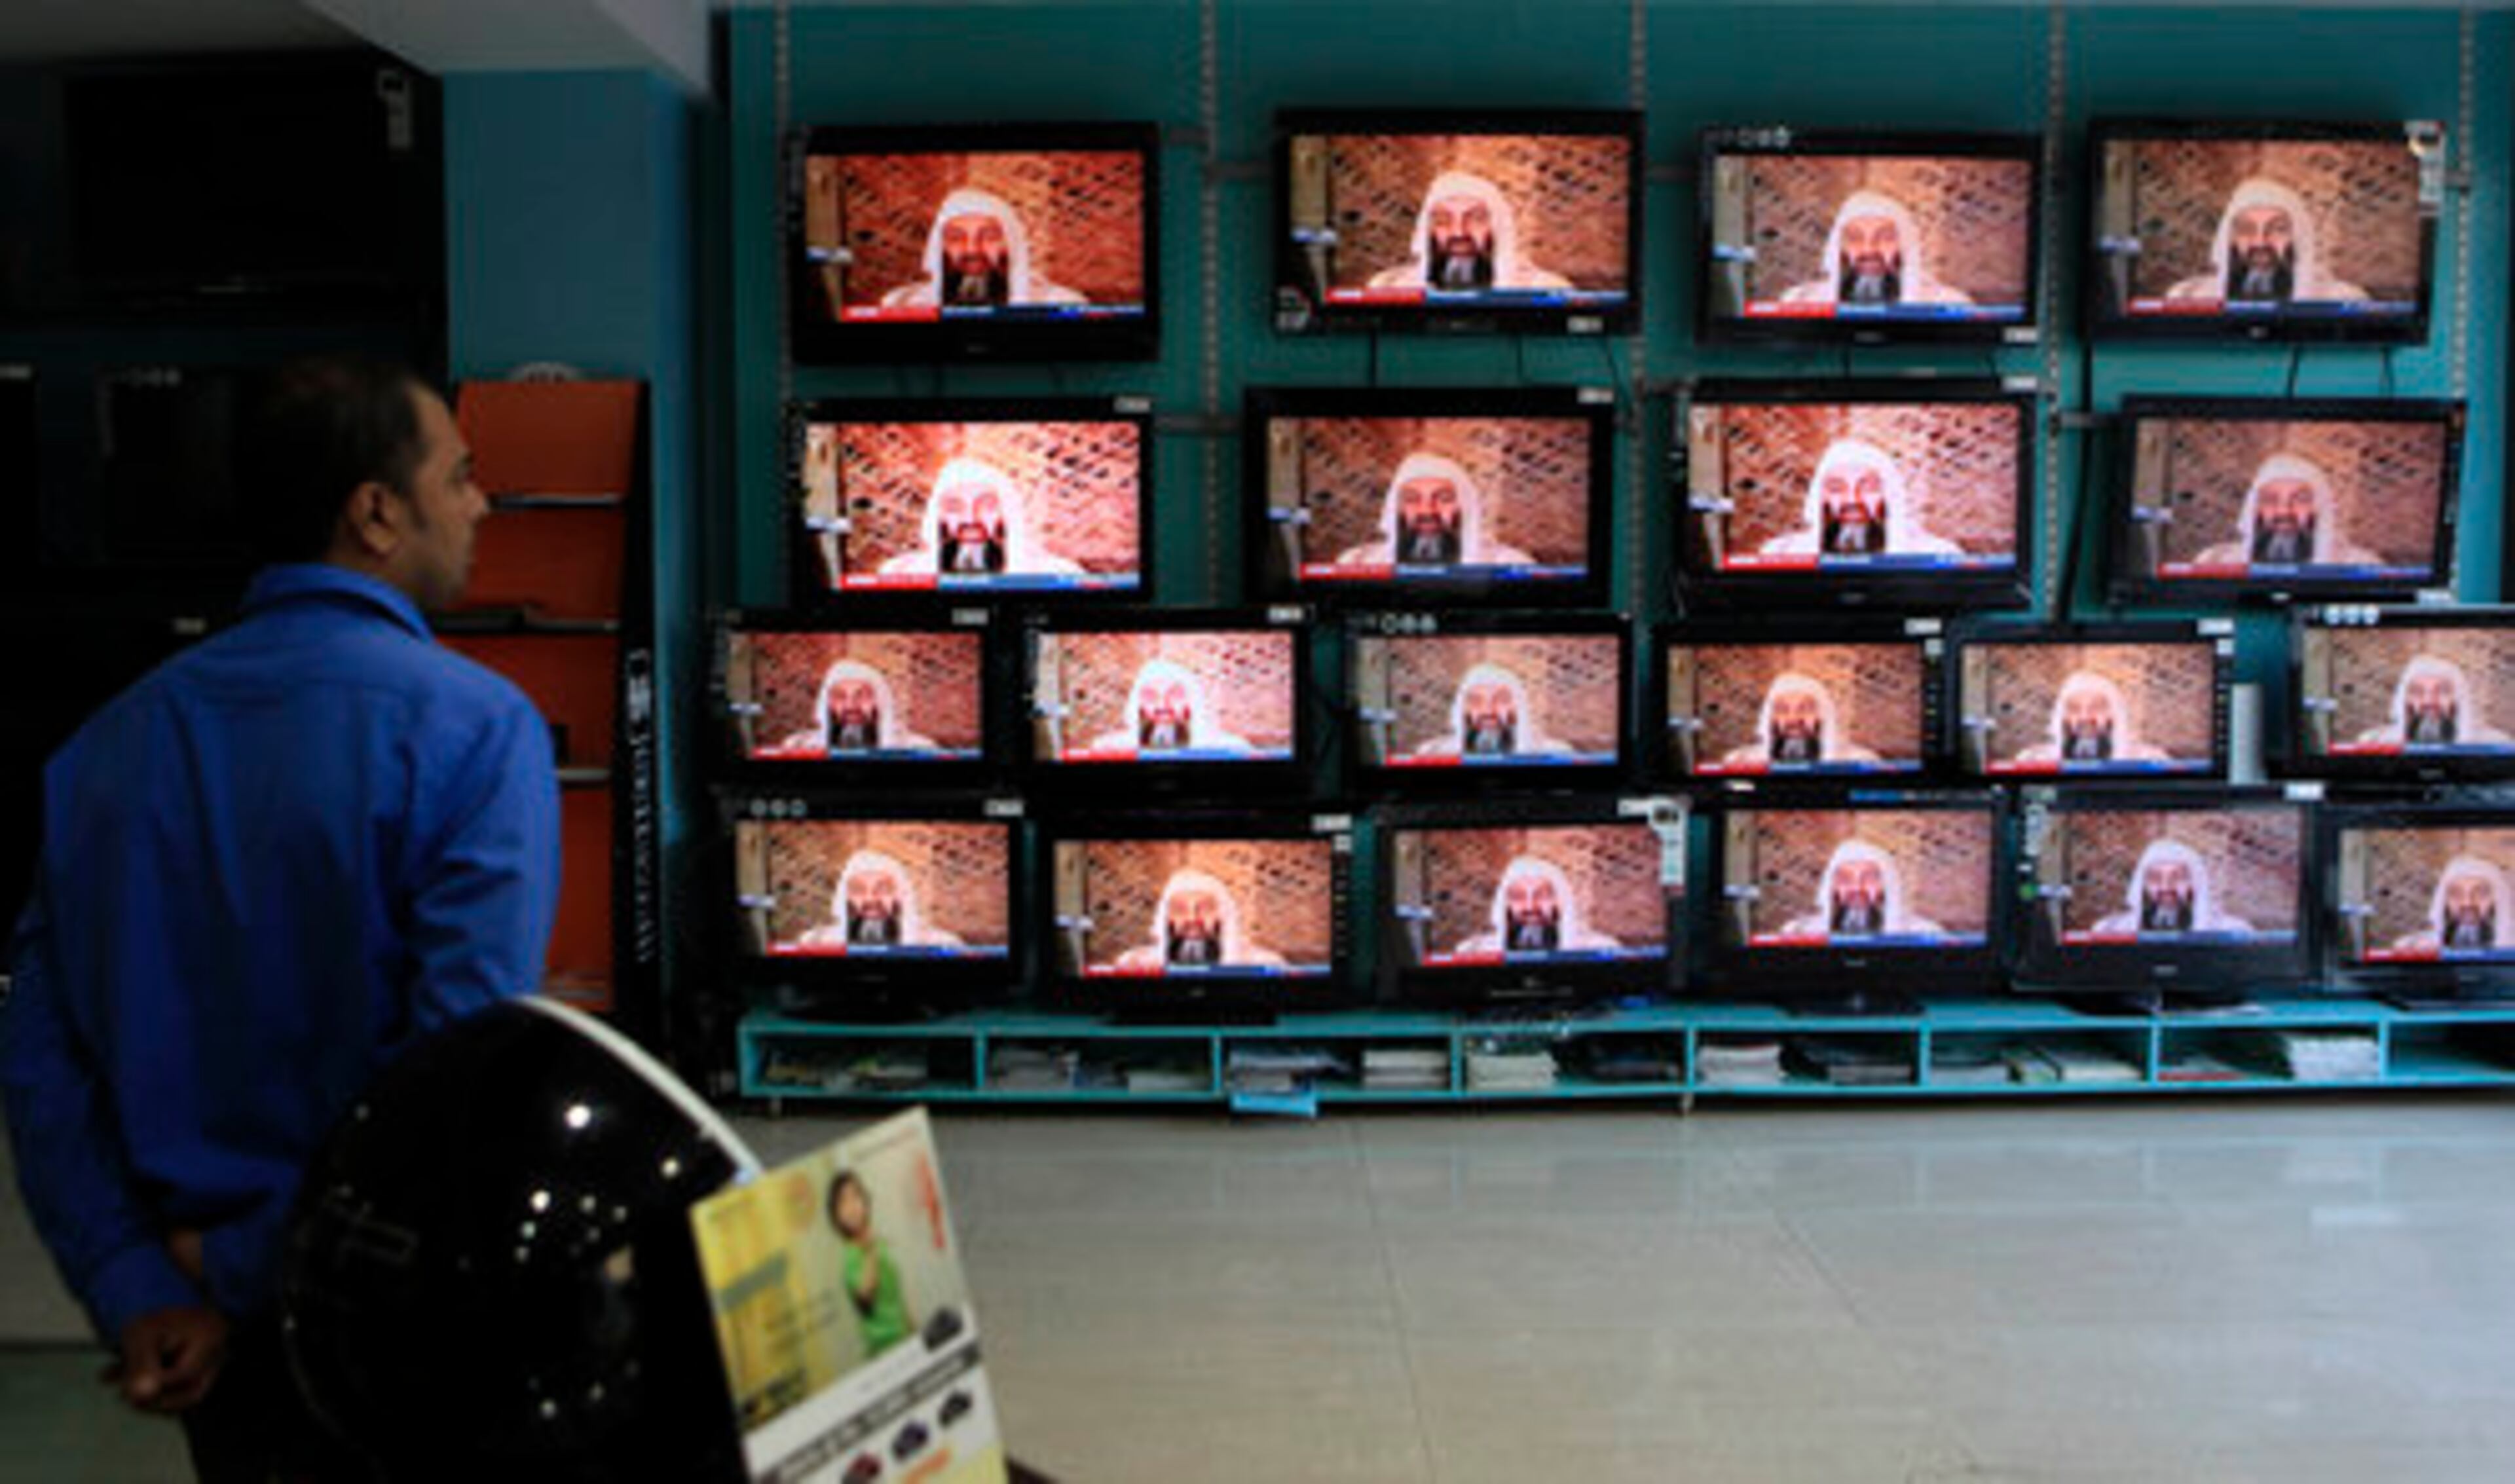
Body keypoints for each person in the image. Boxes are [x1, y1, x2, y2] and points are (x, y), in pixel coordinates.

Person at [1, 356, 560, 1483]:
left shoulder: (100, 752)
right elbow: (454, 1074)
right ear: (376, 512)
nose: (481, 504)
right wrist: (255, 1266)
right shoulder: (478, 732)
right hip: (399, 1320)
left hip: (202, 1331)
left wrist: (141, 1284)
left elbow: (41, 1064)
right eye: (459, 476)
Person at [2165, 176, 2367, 305]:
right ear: (2230, 239)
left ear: (2298, 237)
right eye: (2246, 229)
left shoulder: (2342, 299)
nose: (2260, 243)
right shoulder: (2188, 298)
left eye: (2278, 229)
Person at [877, 456, 1083, 580]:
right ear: (938, 518)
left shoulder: (1057, 574)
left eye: (986, 507)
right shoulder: (899, 574)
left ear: (1008, 513)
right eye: (955, 508)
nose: (970, 520)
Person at [1365, 170, 1571, 293]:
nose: (1459, 233)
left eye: (1476, 219)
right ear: (1428, 230)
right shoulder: (1388, 288)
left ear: (1498, 227)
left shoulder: (1545, 290)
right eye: (1443, 220)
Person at [879, 187, 1085, 309]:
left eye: (989, 237)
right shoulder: (900, 305)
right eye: (956, 238)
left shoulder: (1062, 304)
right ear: (939, 247)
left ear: (1011, 244)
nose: (972, 250)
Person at [1756, 437, 1962, 559]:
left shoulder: (1936, 554)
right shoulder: (1781, 554)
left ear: (1889, 496)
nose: (1852, 500)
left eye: (1868, 488)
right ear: (1819, 498)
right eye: (1837, 489)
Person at [1332, 452, 1535, 569]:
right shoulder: (1357, 563)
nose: (1427, 511)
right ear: (1396, 508)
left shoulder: (1510, 565)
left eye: (1443, 499)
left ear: (1464, 507)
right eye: (1412, 499)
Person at [1778, 189, 1976, 308]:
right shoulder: (1799, 302)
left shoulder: (1949, 304)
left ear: (1905, 245)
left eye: (1885, 238)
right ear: (1840, 247)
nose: (1869, 249)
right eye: (1855, 238)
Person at [2189, 451, 2379, 569]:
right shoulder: (2215, 562)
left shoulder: (2360, 565)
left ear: (2319, 508)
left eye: (2300, 500)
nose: (2284, 511)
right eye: (2270, 500)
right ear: (2255, 509)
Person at [1113, 869, 1286, 970]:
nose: (1192, 919)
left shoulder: (1263, 964)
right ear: (1167, 918)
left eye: (1204, 908)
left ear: (1222, 915)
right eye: (1180, 910)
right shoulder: (1135, 964)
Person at [1453, 856, 1624, 956]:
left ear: (1559, 901)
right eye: (1518, 897)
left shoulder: (1601, 949)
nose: (1530, 907)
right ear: (1506, 905)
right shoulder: (1473, 952)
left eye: (1541, 895)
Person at [798, 850, 966, 952]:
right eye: (859, 890)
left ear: (900, 896)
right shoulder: (814, 943)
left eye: (883, 889)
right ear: (845, 898)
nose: (870, 899)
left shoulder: (940, 944)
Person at [1778, 840, 1945, 940]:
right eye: (1845, 879)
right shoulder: (1798, 933)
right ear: (1832, 887)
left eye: (1869, 878)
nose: (1856, 888)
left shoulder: (1925, 934)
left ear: (1886, 885)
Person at [827, 1172, 914, 1360]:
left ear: (865, 1201)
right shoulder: (851, 1256)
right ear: (836, 1216)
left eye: (856, 1196)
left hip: (906, 1338)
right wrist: (872, 1249)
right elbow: (866, 1297)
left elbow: (896, 1298)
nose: (852, 1206)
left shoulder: (878, 1245)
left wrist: (914, 1331)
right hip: (885, 1350)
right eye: (843, 1201)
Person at [1085, 659, 1254, 756]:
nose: (1162, 706)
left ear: (1191, 702)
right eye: (1150, 696)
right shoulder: (1111, 750)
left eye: (1174, 695)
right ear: (1138, 705)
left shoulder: (1228, 748)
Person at [1410, 662, 1574, 760]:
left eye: (1501, 700)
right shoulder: (1433, 754)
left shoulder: (1555, 753)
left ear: (1518, 707)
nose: (1488, 710)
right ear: (1462, 710)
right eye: (1476, 701)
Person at [2091, 838, 2254, 937]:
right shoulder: (2109, 931)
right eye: (2155, 878)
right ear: (2142, 885)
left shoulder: (2233, 931)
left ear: (2194, 884)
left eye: (2177, 878)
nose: (2166, 887)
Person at [775, 658, 938, 756]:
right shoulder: (797, 748)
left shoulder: (918, 749)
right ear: (827, 704)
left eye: (862, 696)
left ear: (880, 702)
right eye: (840, 696)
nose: (851, 706)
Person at [1719, 673, 1879, 768]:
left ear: (1822, 715)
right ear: (1771, 718)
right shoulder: (1741, 762)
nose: (1793, 719)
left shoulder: (1859, 761)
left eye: (1805, 709)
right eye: (1783, 710)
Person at [2353, 654, 2514, 748]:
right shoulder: (2373, 743)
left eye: (2442, 691)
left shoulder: (2495, 744)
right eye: (2418, 692)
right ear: (2405, 701)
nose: (2429, 701)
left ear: (2457, 699)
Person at [2015, 671, 2172, 766]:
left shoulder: (2148, 760)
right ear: (2063, 717)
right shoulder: (2033, 761)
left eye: (2096, 707)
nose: (2085, 717)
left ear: (2113, 714)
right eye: (2074, 709)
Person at [2392, 856, 2514, 954]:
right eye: (2456, 894)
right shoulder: (2418, 948)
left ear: (2497, 899)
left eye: (2480, 893)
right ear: (2444, 901)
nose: (2467, 903)